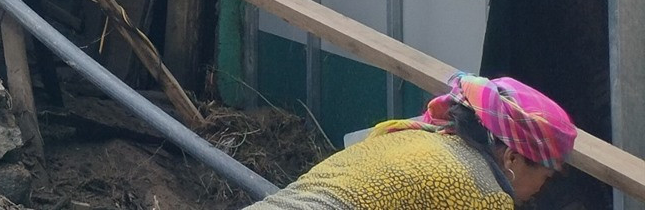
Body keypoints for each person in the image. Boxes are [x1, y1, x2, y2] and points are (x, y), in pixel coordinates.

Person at [243, 72, 575, 209]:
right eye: (544, 176)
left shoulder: (416, 135)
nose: (539, 191)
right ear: (513, 159)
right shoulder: (484, 193)